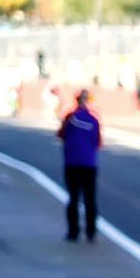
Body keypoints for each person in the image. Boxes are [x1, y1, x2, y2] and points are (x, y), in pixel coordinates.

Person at [57, 90, 101, 241]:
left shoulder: (70, 117)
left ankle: (73, 231)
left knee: (74, 197)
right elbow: (97, 142)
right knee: (90, 198)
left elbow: (61, 135)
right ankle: (91, 231)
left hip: (73, 163)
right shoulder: (93, 120)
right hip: (89, 163)